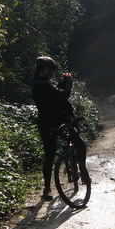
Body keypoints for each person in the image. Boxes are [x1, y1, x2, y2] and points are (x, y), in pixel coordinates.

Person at [31, 56, 90, 201]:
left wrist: (61, 84)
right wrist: (68, 84)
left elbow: (54, 95)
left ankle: (47, 189)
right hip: (57, 122)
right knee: (79, 144)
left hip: (46, 123)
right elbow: (62, 96)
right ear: (44, 70)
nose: (51, 73)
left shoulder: (38, 83)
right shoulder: (42, 85)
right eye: (50, 70)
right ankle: (83, 171)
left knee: (49, 156)